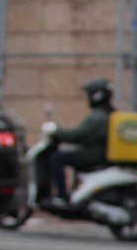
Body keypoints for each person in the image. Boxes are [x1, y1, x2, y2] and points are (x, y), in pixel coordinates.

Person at [41, 78, 114, 208]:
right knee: (70, 155)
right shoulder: (108, 113)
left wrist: (56, 132)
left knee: (57, 158)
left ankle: (62, 196)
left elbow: (78, 135)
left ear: (96, 96)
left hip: (95, 156)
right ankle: (74, 192)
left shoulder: (98, 117)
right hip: (100, 152)